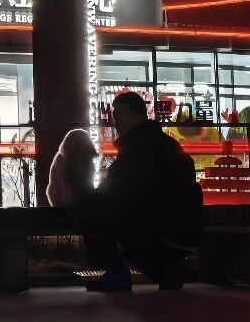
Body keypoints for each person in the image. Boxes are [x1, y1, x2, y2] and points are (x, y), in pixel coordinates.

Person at [79, 91, 202, 292]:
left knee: (91, 207)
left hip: (154, 229)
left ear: (135, 115)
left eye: (119, 115)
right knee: (131, 216)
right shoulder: (168, 145)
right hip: (184, 232)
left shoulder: (136, 149)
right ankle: (164, 270)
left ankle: (115, 274)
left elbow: (113, 190)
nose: (115, 122)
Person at [45, 128, 98, 206]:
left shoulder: (88, 162)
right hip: (67, 205)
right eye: (77, 146)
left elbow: (89, 185)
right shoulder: (61, 161)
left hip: (83, 203)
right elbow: (60, 188)